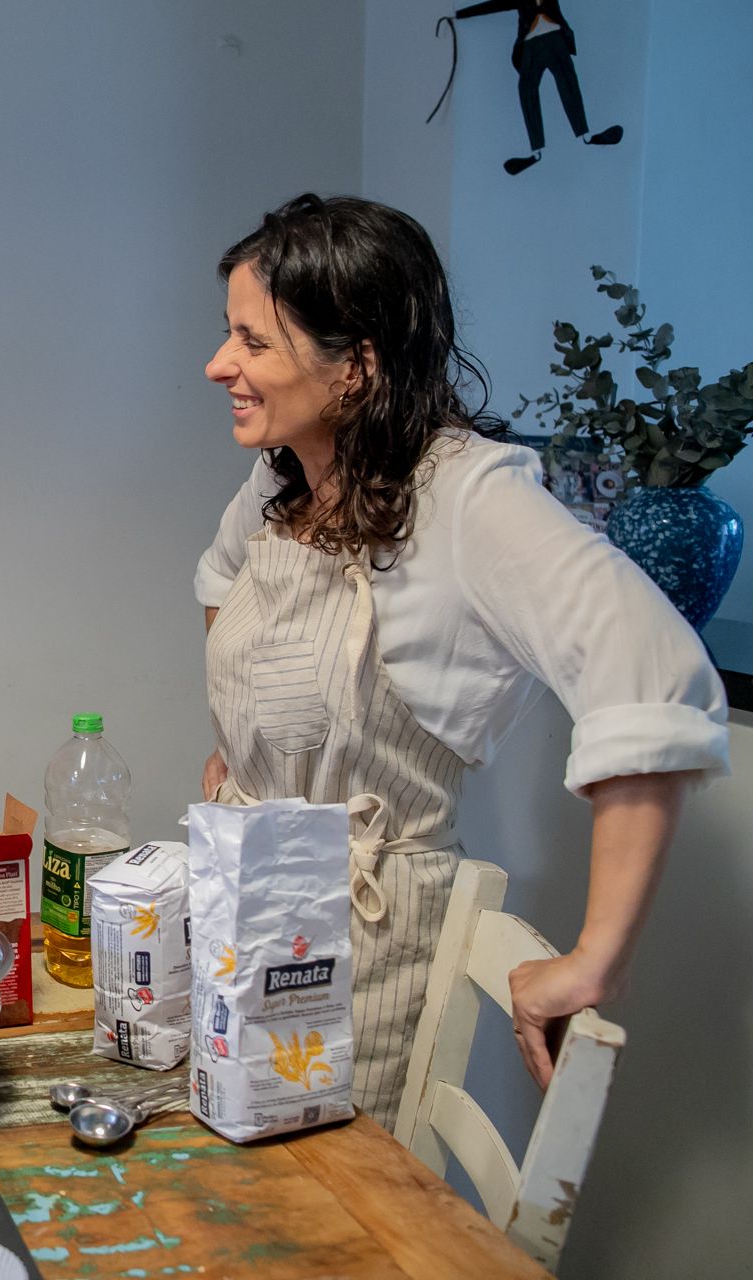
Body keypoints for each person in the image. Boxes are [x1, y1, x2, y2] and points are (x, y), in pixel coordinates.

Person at [195, 195, 726, 1128]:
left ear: (354, 366)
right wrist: (242, 749)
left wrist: (598, 957)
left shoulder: (469, 497)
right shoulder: (282, 480)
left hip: (367, 945)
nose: (219, 365)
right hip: (253, 911)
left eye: (253, 341)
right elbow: (223, 586)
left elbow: (651, 674)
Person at [454, 1, 623, 175]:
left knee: (568, 83)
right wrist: (459, 15)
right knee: (527, 90)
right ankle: (535, 151)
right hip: (531, 44)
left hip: (555, 38)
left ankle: (587, 136)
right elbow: (493, 6)